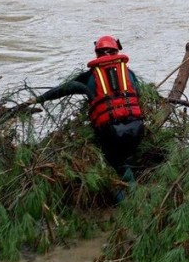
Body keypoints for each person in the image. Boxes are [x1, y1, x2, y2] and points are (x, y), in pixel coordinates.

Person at [20, 35, 145, 179]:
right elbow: (138, 93)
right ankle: (135, 185)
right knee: (128, 162)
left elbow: (67, 87)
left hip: (111, 131)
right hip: (136, 127)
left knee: (116, 169)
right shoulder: (128, 73)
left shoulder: (90, 76)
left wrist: (38, 99)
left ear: (97, 53)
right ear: (117, 51)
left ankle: (126, 195)